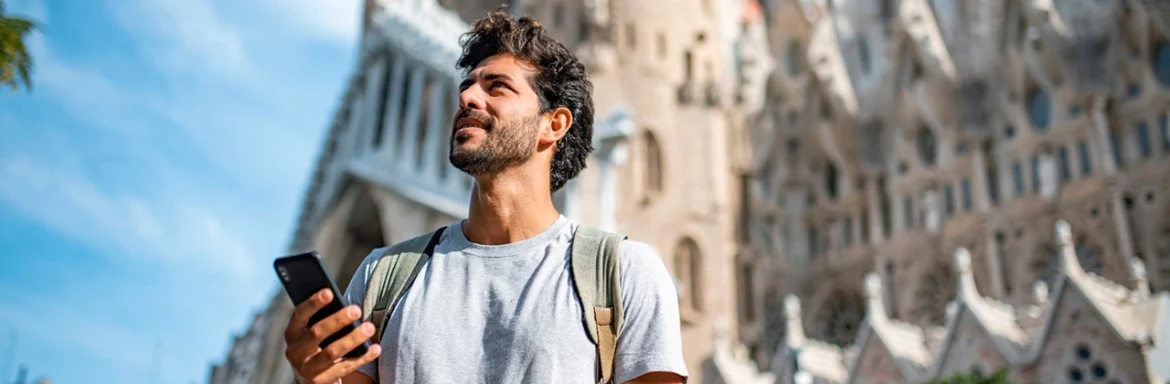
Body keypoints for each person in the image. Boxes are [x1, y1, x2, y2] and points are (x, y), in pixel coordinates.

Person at [280, 8, 688, 384]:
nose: (467, 98)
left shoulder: (622, 273)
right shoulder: (384, 275)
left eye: (497, 87)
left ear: (554, 124)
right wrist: (315, 375)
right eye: (468, 85)